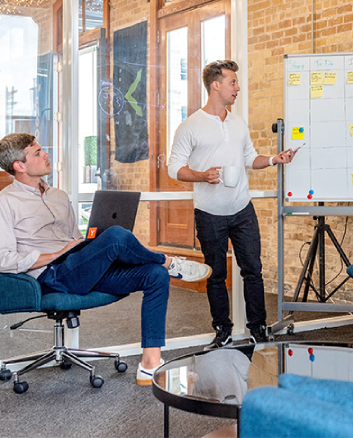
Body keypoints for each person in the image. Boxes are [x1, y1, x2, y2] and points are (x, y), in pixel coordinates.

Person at [0, 133, 212, 385]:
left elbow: (74, 238)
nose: (46, 154)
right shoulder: (6, 202)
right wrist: (57, 254)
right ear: (19, 166)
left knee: (154, 275)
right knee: (117, 236)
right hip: (52, 275)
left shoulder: (58, 196)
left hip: (79, 266)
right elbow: (4, 259)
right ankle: (167, 261)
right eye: (37, 153)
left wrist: (88, 244)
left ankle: (150, 363)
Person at [168, 59, 296, 349]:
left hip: (242, 209)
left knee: (252, 270)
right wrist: (202, 175)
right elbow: (174, 168)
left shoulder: (238, 123)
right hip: (209, 213)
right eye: (232, 82)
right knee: (216, 273)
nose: (237, 88)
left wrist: (274, 159)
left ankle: (257, 328)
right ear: (216, 85)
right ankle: (222, 330)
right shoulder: (191, 125)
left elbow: (250, 158)